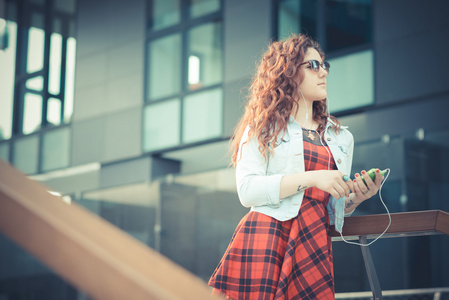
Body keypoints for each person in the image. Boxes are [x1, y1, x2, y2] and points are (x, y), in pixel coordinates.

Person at [208, 34, 384, 300]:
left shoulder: (341, 137)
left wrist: (357, 197)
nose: (322, 71)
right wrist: (313, 178)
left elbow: (334, 211)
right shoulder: (263, 127)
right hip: (266, 236)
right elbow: (247, 191)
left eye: (324, 65)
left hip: (313, 240)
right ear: (288, 73)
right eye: (312, 66)